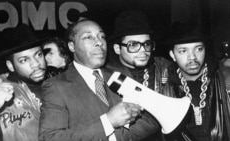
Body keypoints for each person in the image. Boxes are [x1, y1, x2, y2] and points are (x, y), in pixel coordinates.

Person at [39, 19, 159, 141]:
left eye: (102, 36)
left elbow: (150, 120)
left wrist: (119, 136)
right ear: (72, 46)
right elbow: (49, 137)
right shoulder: (56, 86)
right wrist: (108, 122)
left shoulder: (120, 74)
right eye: (88, 37)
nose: (99, 42)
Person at [107, 10, 171, 141]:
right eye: (133, 45)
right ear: (117, 49)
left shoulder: (165, 68)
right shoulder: (107, 76)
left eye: (147, 44)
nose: (143, 50)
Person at [162, 22, 230, 141]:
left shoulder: (223, 78)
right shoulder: (165, 87)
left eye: (198, 49)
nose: (192, 57)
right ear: (172, 55)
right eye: (183, 51)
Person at [0, 24, 47, 141]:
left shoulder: (57, 81)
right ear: (11, 66)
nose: (36, 64)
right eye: (24, 60)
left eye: (39, 54)